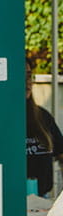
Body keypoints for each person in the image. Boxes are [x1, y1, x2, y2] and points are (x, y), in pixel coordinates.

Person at [26, 57, 63, 197]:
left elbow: (60, 151)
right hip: (10, 199)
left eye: (29, 76)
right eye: (21, 77)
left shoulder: (43, 117)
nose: (27, 83)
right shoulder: (1, 119)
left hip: (41, 200)